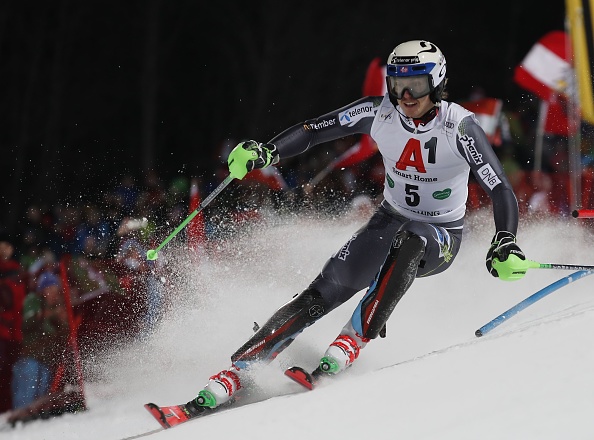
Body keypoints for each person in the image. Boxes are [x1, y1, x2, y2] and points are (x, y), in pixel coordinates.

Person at [181, 40, 526, 415]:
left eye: (417, 86)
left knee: (411, 240)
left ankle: (351, 340)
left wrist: (505, 239)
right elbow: (314, 129)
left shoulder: (459, 126)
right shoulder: (379, 112)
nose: (406, 96)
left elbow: (499, 187)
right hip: (387, 221)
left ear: (437, 83)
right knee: (324, 289)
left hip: (440, 236)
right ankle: (239, 370)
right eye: (397, 85)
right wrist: (268, 152)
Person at [11, 271, 69, 410]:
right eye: (50, 289)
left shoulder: (57, 307)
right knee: (26, 397)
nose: (53, 293)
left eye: (56, 290)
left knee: (40, 400)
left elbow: (64, 334)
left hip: (46, 361)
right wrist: (50, 314)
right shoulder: (33, 300)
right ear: (43, 290)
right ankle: (18, 424)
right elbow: (28, 322)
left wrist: (63, 320)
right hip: (30, 359)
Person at [0, 232, 26, 413]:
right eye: (1, 245)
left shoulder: (17, 270)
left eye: (7, 246)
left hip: (15, 328)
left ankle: (8, 409)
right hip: (2, 327)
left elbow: (20, 300)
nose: (4, 250)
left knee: (9, 370)